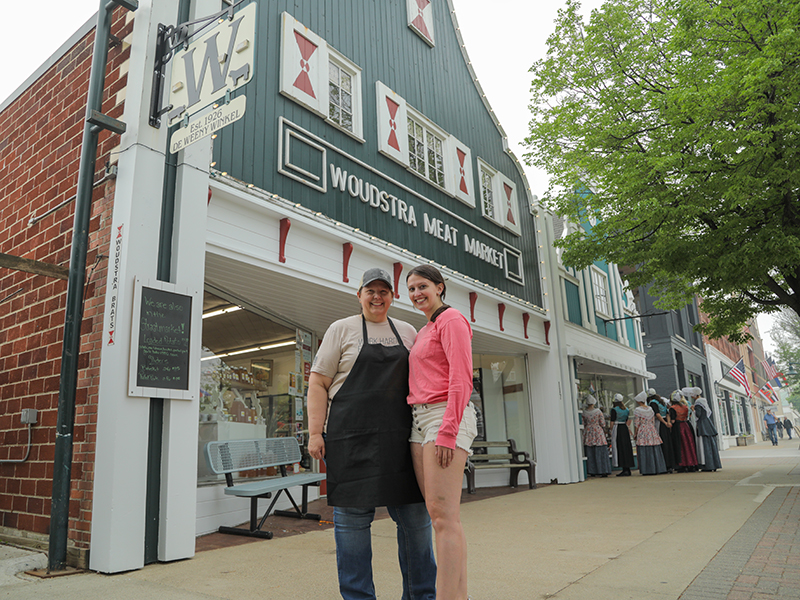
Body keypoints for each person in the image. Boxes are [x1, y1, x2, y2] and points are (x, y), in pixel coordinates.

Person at [308, 268, 436, 600]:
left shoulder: (408, 331)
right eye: (371, 291)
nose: (377, 297)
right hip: (350, 440)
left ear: (393, 296)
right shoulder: (341, 329)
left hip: (402, 441)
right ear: (359, 294)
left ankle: (422, 596)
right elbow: (318, 382)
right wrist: (315, 433)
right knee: (351, 529)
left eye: (384, 292)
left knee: (417, 527)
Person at [406, 264, 478, 600]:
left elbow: (461, 378)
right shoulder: (425, 329)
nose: (417, 294)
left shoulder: (451, 320)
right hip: (419, 422)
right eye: (411, 289)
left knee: (444, 518)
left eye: (422, 286)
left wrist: (448, 431)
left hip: (445, 416)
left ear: (439, 287)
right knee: (439, 518)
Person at [683, 387, 722, 472]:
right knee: (711, 444)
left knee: (703, 445)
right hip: (708, 424)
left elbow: (698, 415)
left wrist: (693, 410)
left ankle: (707, 465)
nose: (691, 396)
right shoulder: (704, 401)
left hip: (702, 425)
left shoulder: (697, 403)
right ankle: (714, 464)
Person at [633, 391, 666, 475]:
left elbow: (637, 423)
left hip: (642, 429)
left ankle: (647, 469)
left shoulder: (637, 410)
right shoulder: (650, 409)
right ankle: (658, 467)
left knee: (644, 447)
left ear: (639, 401)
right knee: (654, 447)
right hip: (651, 429)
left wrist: (635, 433)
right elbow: (653, 421)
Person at [669, 390, 698, 472]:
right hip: (686, 425)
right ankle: (692, 463)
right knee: (689, 445)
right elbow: (688, 416)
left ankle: (682, 465)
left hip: (677, 427)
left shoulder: (672, 408)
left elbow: (673, 420)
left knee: (680, 445)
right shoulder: (685, 407)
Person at [582, 395, 611, 477]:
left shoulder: (584, 413)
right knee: (601, 450)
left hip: (588, 432)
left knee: (590, 451)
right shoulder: (598, 412)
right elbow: (602, 423)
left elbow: (583, 424)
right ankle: (603, 470)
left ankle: (592, 470)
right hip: (598, 432)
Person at [648, 388, 675, 473]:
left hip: (659, 424)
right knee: (668, 443)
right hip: (665, 424)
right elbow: (667, 413)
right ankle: (670, 465)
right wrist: (668, 422)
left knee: (662, 444)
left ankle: (664, 465)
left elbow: (657, 415)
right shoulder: (661, 401)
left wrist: (664, 422)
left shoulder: (652, 403)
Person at [609, 394, 634, 477]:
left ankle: (624, 468)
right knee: (626, 447)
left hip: (617, 429)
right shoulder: (626, 409)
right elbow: (627, 420)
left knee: (619, 447)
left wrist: (610, 430)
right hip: (624, 428)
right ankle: (628, 468)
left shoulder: (614, 410)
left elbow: (612, 422)